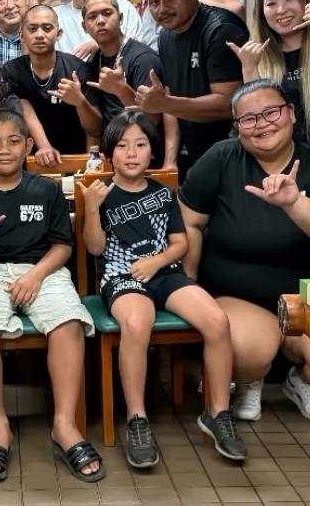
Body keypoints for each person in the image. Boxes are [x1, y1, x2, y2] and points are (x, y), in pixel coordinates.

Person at [179, 79, 310, 421]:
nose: (262, 124)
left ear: (291, 114)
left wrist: (295, 203)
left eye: (271, 112)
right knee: (249, 350)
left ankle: (297, 379)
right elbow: (188, 222)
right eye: (249, 119)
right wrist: (189, 286)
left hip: (304, 301)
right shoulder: (221, 158)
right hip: (235, 295)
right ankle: (249, 378)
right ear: (238, 128)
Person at [80, 112, 240, 466]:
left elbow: (181, 243)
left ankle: (218, 413)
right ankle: (137, 419)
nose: (132, 153)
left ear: (152, 151)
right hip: (121, 277)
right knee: (137, 324)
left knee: (218, 321)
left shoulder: (163, 193)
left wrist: (156, 262)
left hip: (165, 273)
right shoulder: (102, 194)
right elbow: (94, 248)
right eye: (122, 146)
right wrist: (91, 209)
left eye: (140, 145)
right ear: (109, 154)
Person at [0, 110, 101, 484]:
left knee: (69, 321)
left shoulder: (46, 189)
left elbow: (63, 246)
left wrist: (35, 275)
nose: (4, 150)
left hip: (42, 270)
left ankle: (64, 426)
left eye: (14, 141)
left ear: (29, 146)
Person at [134, 0, 247, 176]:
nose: (162, 9)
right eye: (154, 2)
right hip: (194, 157)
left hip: (234, 153)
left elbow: (228, 103)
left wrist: (166, 103)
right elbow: (170, 101)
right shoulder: (166, 36)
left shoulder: (221, 29)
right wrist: (170, 162)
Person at [229, 0, 310, 148]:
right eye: (271, 3)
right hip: (276, 162)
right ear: (262, 11)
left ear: (306, 0)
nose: (281, 10)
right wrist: (249, 70)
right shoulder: (255, 55)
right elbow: (255, 123)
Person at [80, 0, 172, 168]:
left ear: (120, 18)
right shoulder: (94, 60)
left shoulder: (142, 58)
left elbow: (151, 120)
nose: (100, 20)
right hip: (111, 156)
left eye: (107, 13)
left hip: (144, 158)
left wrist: (121, 89)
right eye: (92, 17)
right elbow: (95, 126)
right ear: (84, 27)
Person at [2, 5, 100, 161]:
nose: (40, 35)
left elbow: (95, 128)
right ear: (21, 35)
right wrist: (45, 147)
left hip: (74, 157)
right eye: (32, 29)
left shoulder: (78, 69)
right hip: (31, 159)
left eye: (47, 28)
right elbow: (23, 107)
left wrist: (80, 101)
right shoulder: (12, 70)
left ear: (59, 34)